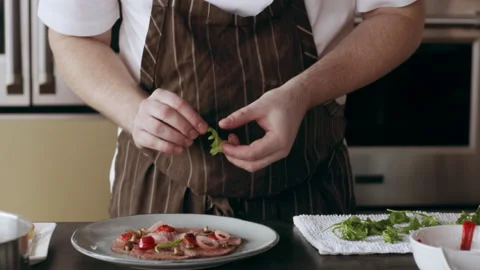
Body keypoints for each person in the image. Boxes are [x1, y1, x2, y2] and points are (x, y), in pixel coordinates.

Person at [38, 0, 425, 222]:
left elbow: (399, 15)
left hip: (310, 189)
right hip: (158, 188)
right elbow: (74, 35)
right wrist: (131, 109)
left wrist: (303, 91)